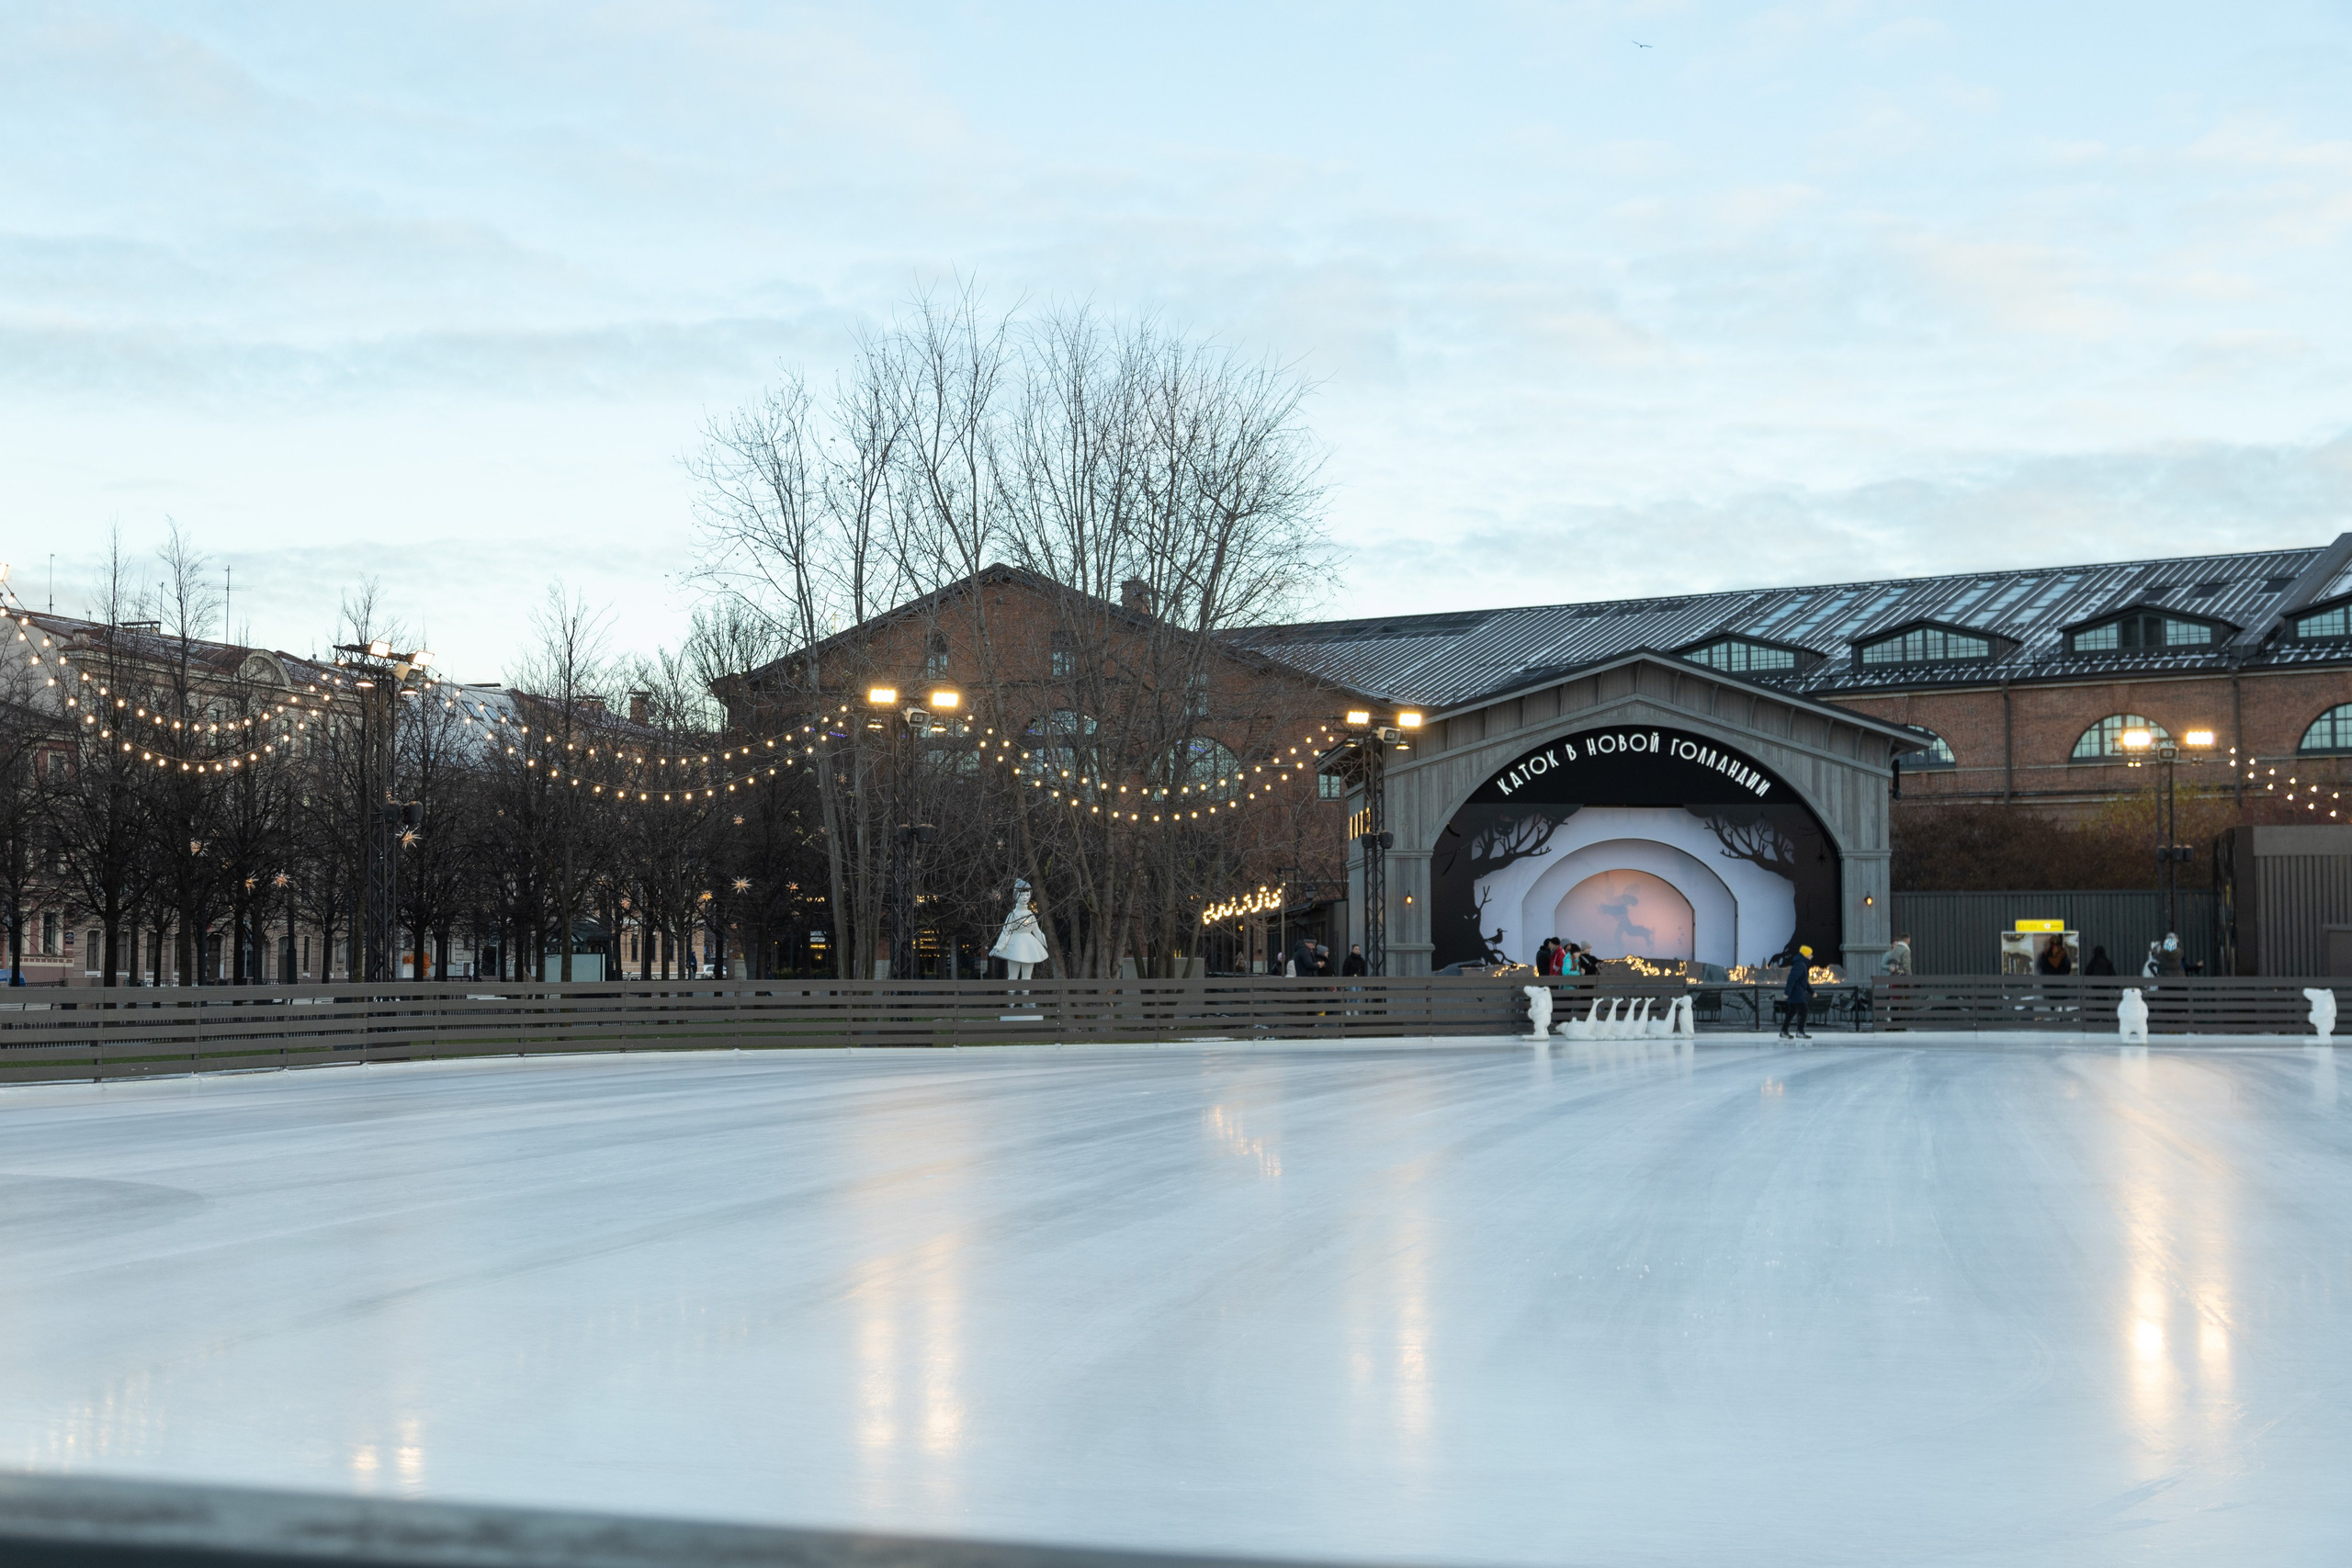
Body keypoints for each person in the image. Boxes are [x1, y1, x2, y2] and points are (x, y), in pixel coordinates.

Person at [1781, 944, 1815, 1040]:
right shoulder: (1800, 965)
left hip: (1795, 992)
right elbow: (1792, 979)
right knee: (1804, 1011)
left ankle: (1784, 1031)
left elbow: (1803, 981)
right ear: (1806, 955)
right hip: (1797, 993)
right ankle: (1800, 1031)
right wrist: (1787, 992)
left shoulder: (1801, 964)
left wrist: (1812, 992)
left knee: (1792, 1012)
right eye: (1810, 954)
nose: (1812, 956)